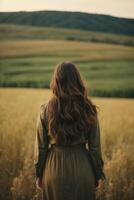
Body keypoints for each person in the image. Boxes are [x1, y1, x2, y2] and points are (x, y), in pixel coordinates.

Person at [34, 61, 106, 200]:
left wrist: (38, 174)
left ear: (56, 81)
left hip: (53, 170)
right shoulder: (89, 109)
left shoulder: (45, 110)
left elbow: (41, 147)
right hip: (83, 170)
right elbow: (95, 148)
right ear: (78, 80)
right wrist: (97, 174)